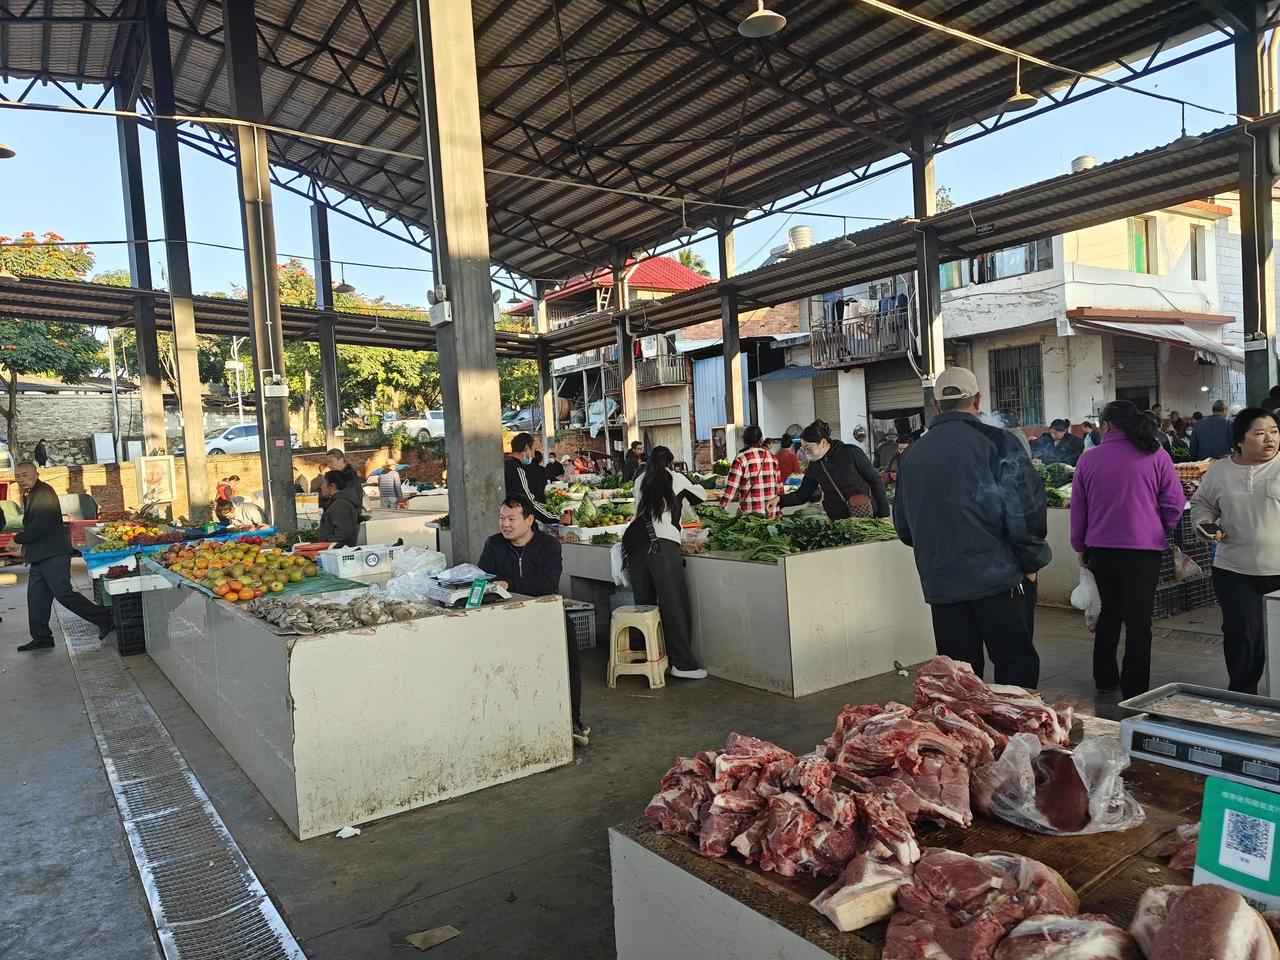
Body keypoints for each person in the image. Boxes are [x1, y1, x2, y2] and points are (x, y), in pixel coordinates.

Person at [892, 367, 1049, 687]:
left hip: (942, 583)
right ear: (977, 399)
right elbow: (1026, 508)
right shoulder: (999, 441)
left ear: (936, 406)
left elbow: (905, 527)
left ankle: (968, 738)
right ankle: (1015, 736)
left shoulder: (912, 456)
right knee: (1014, 664)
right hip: (998, 580)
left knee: (959, 679)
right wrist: (1032, 560)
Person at [1070, 400, 1184, 700]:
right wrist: (1160, 528)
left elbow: (1078, 510)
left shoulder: (1088, 460)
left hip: (1102, 549)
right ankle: (1135, 688)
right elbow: (1174, 501)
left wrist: (1079, 546)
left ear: (1105, 425)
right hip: (1144, 551)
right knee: (1138, 619)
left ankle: (1105, 678)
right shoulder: (1156, 454)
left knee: (1109, 612)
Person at [479, 496, 588, 746]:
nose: (504, 524)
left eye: (511, 519)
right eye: (501, 518)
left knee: (566, 661)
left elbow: (548, 584)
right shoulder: (493, 544)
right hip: (508, 616)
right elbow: (485, 578)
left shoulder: (548, 545)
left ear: (529, 520)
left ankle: (573, 719)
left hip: (546, 613)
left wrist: (508, 583)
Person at [1191, 408, 1280, 694]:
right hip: (1235, 571)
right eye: (1260, 433)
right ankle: (1243, 700)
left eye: (1274, 431)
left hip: (1278, 570)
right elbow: (1202, 503)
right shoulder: (1220, 471)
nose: (1270, 439)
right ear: (1240, 440)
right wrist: (1204, 524)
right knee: (1243, 638)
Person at [7, 462, 113, 651]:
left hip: (54, 554)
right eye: (18, 476)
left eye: (25, 475)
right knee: (36, 596)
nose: (21, 479)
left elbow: (41, 525)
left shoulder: (44, 493)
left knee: (63, 593)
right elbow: (34, 526)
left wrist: (18, 539)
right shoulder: (31, 493)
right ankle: (42, 637)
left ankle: (105, 619)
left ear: (36, 474)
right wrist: (25, 548)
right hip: (40, 555)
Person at [623, 446, 707, 679]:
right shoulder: (676, 477)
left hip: (635, 544)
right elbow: (701, 495)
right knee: (674, 604)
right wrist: (685, 478)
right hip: (662, 545)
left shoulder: (640, 479)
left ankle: (646, 656)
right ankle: (682, 664)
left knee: (644, 604)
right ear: (670, 463)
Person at [777, 420, 888, 519]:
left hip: (865, 514)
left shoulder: (851, 452)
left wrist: (884, 514)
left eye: (808, 448)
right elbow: (802, 495)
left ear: (823, 443)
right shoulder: (815, 466)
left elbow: (875, 480)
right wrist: (779, 500)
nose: (806, 453)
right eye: (803, 449)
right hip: (839, 520)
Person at [720, 426, 781, 518]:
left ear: (744, 440)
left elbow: (731, 488)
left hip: (750, 517)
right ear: (761, 439)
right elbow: (779, 485)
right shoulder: (772, 457)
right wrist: (781, 507)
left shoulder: (741, 458)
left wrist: (721, 509)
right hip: (771, 512)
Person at [504, 433, 559, 524]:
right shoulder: (517, 469)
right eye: (533, 449)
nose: (533, 455)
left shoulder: (505, 464)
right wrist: (556, 517)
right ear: (526, 448)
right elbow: (529, 502)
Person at [316, 470, 362, 547]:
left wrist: (327, 546)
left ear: (332, 486)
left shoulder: (341, 504)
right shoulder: (336, 502)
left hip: (337, 553)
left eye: (324, 483)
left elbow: (343, 533)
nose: (321, 486)